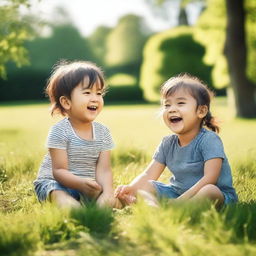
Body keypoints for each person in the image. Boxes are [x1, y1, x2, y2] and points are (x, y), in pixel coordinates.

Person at [115, 74, 238, 208]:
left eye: (180, 103)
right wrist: (131, 188)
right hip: (176, 193)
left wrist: (181, 201)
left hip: (214, 194)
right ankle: (154, 208)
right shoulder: (167, 143)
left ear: (201, 111)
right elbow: (149, 174)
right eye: (167, 105)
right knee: (148, 185)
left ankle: (172, 209)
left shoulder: (209, 140)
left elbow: (211, 178)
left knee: (210, 190)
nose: (172, 109)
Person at [34, 60, 121, 208]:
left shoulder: (103, 132)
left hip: (85, 185)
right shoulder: (59, 131)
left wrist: (107, 192)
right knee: (58, 194)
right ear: (66, 102)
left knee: (112, 200)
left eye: (99, 93)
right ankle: (72, 208)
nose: (95, 98)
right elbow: (59, 171)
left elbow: (104, 169)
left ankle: (99, 202)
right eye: (87, 92)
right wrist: (80, 183)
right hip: (55, 182)